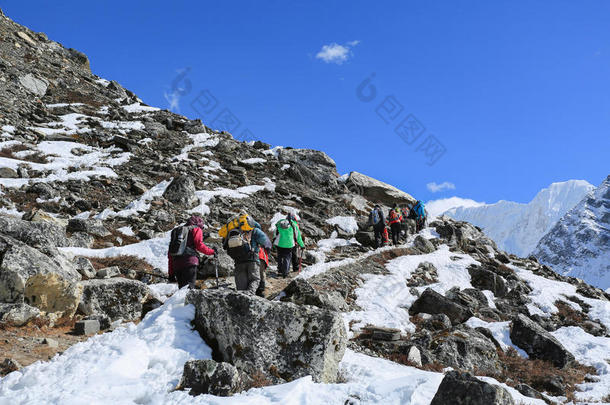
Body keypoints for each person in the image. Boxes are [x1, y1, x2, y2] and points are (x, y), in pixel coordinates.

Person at [223, 214, 271, 294]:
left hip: (238, 262)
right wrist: (266, 251)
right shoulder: (255, 230)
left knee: (241, 286)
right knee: (255, 279)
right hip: (252, 260)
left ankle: (242, 299)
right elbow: (267, 244)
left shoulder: (231, 232)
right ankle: (249, 296)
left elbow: (225, 246)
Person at [168, 215, 216, 289]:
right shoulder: (196, 229)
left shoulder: (176, 231)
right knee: (189, 289)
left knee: (182, 290)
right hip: (190, 262)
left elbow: (170, 254)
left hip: (176, 265)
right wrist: (212, 251)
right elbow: (199, 245)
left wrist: (171, 274)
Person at [273, 213, 305, 278]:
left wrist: (274, 242)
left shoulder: (280, 224)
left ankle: (280, 271)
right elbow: (298, 237)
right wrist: (302, 245)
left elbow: (275, 234)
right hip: (289, 245)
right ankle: (285, 273)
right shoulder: (294, 225)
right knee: (287, 258)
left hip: (279, 244)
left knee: (280, 257)